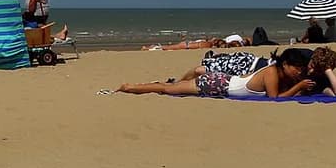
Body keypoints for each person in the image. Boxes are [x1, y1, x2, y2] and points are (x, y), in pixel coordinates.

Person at [114, 48, 320, 99]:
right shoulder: (272, 73)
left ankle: (141, 86)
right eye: (297, 68)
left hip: (222, 82)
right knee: (169, 90)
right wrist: (299, 87)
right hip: (217, 84)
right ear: (285, 64)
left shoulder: (279, 74)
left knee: (173, 89)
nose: (299, 72)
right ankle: (130, 87)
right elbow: (275, 99)